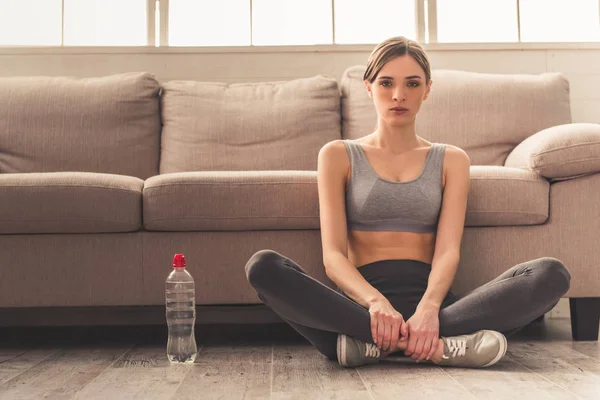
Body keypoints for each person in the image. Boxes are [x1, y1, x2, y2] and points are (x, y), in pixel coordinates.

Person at [244, 36, 571, 368]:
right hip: (361, 308)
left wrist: (429, 309)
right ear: (368, 87)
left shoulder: (452, 160)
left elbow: (447, 250)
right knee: (263, 267)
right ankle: (438, 347)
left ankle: (373, 346)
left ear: (427, 89)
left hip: (436, 306)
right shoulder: (337, 155)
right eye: (386, 83)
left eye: (411, 84)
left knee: (551, 274)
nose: (398, 95)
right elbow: (333, 257)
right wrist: (376, 304)